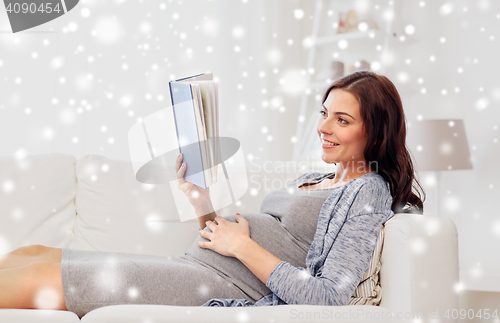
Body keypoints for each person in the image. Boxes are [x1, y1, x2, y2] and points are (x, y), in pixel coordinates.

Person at [0, 71, 425, 317]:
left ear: (376, 130)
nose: (323, 127)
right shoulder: (316, 178)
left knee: (40, 280)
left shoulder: (367, 191)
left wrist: (241, 247)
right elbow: (232, 240)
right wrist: (204, 205)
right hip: (199, 262)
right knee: (32, 253)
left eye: (342, 120)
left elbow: (330, 296)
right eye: (323, 113)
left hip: (223, 284)